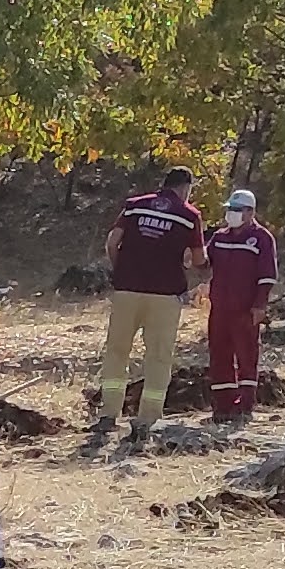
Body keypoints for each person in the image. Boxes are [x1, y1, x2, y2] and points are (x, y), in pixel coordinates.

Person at [93, 163, 203, 437]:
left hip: (127, 291)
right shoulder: (189, 215)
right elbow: (199, 259)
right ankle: (147, 418)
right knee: (158, 357)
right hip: (165, 296)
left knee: (117, 351)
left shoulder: (135, 205)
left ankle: (108, 414)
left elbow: (111, 242)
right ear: (186, 188)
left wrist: (121, 269)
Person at [199, 186, 279, 414]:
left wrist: (260, 305)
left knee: (247, 354)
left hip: (246, 309)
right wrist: (193, 257)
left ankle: (244, 404)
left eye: (237, 209)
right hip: (220, 308)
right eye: (230, 209)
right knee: (219, 353)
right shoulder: (220, 236)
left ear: (251, 212)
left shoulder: (262, 238)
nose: (231, 213)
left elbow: (267, 275)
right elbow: (206, 262)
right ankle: (223, 405)